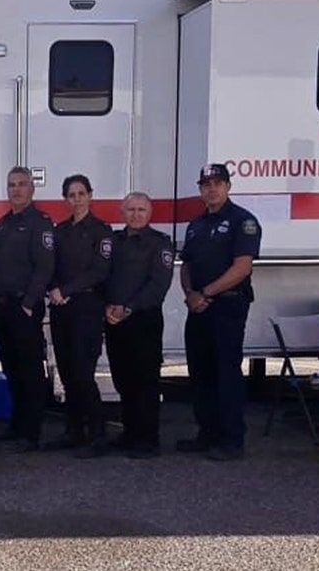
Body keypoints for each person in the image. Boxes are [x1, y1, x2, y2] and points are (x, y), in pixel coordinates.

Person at [178, 163, 262, 461]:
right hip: (198, 308)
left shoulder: (243, 221)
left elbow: (242, 267)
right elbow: (186, 265)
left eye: (217, 183)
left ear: (228, 186)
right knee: (200, 373)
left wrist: (206, 293)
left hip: (227, 305)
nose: (211, 189)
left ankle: (231, 440)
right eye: (206, 184)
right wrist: (190, 295)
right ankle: (207, 433)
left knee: (226, 373)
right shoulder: (195, 225)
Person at [0, 167, 55, 453]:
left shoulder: (39, 223)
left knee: (29, 371)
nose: (16, 190)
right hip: (1, 306)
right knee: (11, 369)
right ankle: (16, 425)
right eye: (12, 185)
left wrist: (29, 303)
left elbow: (45, 267)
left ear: (32, 189)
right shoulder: (4, 223)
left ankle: (31, 432)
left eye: (22, 185)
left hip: (23, 307)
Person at [47, 174, 114, 458]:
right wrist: (52, 288)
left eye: (81, 193)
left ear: (90, 195)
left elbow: (100, 271)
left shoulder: (101, 231)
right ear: (66, 199)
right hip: (61, 309)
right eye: (71, 195)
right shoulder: (60, 231)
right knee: (67, 372)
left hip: (87, 307)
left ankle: (97, 434)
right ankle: (74, 431)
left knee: (83, 372)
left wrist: (66, 289)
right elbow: (50, 265)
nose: (76, 199)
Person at [104, 192, 174, 459]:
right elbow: (105, 276)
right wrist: (107, 306)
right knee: (123, 379)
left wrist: (128, 308)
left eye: (141, 210)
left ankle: (148, 439)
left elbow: (158, 286)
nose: (135, 214)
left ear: (150, 213)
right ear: (122, 213)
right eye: (130, 209)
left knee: (145, 380)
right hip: (115, 320)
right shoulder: (114, 241)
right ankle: (130, 433)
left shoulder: (159, 244)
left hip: (143, 320)